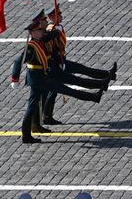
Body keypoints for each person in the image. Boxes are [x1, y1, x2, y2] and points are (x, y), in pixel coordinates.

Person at [11, 11, 103, 143]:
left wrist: (57, 30)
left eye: (41, 29)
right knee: (65, 90)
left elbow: (50, 36)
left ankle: (28, 134)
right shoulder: (31, 47)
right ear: (32, 33)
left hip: (41, 77)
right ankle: (94, 97)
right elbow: (17, 61)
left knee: (33, 105)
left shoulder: (40, 41)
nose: (42, 31)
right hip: (38, 79)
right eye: (39, 30)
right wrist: (15, 79)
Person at [41, 6, 117, 125]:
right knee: (70, 83)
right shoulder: (51, 29)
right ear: (51, 17)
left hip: (61, 61)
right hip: (57, 64)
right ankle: (104, 81)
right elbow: (49, 43)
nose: (60, 16)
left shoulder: (57, 27)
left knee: (79, 71)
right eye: (58, 14)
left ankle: (106, 77)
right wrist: (54, 34)